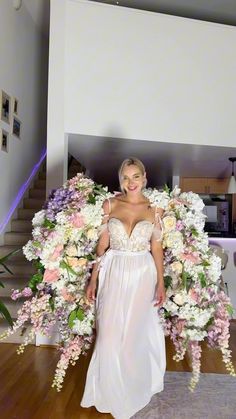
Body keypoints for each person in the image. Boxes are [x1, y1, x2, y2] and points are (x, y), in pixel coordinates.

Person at [80, 157, 166, 419]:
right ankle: (106, 391)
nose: (131, 183)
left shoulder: (155, 209)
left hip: (142, 273)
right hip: (113, 270)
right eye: (126, 178)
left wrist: (161, 281)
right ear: (121, 180)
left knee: (132, 336)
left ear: (144, 176)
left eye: (135, 176)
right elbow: (102, 245)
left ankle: (132, 389)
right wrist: (93, 279)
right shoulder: (110, 204)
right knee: (107, 335)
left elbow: (157, 248)